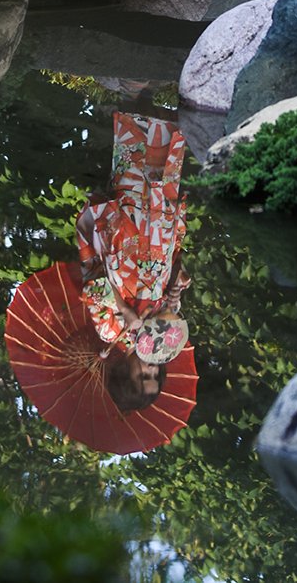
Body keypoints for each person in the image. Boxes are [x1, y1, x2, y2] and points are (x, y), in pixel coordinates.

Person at [76, 111, 191, 395]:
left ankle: (138, 102)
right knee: (166, 176)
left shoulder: (110, 332)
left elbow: (94, 285)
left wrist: (125, 311)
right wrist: (177, 284)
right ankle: (168, 108)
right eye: (156, 375)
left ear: (126, 374)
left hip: (126, 240)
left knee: (132, 173)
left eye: (144, 376)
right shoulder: (164, 337)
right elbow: (171, 281)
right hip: (159, 237)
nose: (151, 369)